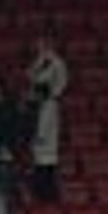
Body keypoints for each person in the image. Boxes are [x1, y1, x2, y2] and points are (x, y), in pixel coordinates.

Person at [23, 39, 69, 201]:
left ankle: (48, 194)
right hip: (38, 149)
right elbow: (30, 75)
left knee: (45, 169)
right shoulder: (39, 62)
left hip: (46, 148)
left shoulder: (50, 104)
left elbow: (61, 81)